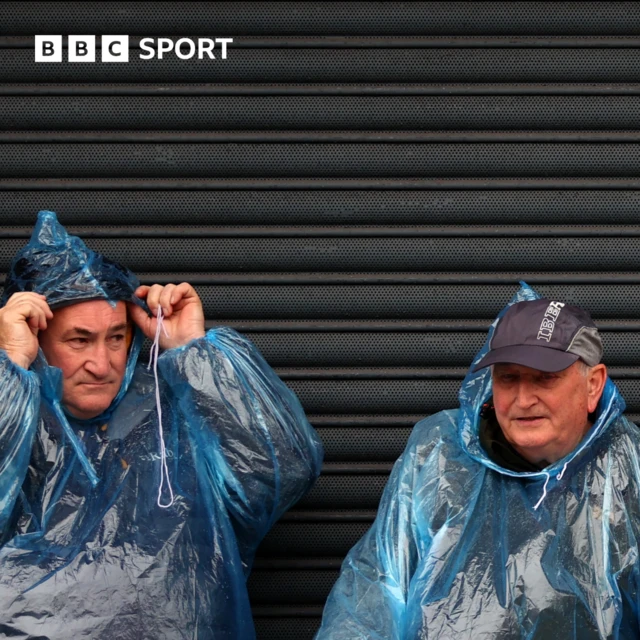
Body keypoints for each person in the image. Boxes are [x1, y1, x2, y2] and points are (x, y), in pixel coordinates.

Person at [0, 211, 323, 639]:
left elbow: (283, 472)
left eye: (116, 337)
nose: (101, 364)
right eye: (79, 340)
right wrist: (8, 368)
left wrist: (193, 351)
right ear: (37, 340)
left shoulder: (173, 414)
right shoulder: (19, 427)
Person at [315, 283, 640, 639]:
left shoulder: (627, 470)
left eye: (545, 379)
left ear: (593, 385)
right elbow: (372, 592)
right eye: (508, 378)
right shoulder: (440, 456)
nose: (523, 398)